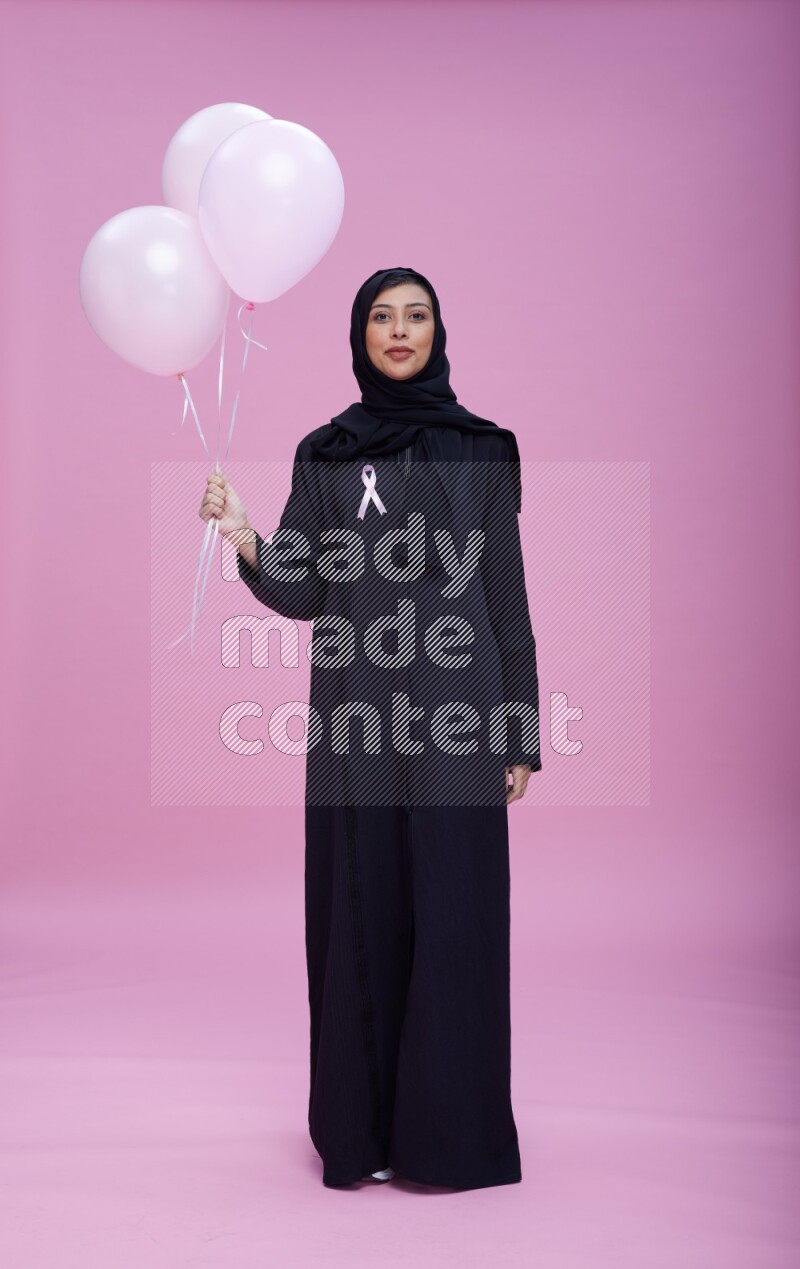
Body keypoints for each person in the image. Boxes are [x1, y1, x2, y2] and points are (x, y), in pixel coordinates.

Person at [199, 267, 542, 1190]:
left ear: (437, 331)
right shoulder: (326, 452)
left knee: (457, 918)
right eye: (382, 318)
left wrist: (520, 732)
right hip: (357, 724)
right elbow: (305, 588)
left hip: (461, 723)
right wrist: (245, 538)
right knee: (365, 911)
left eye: (415, 316)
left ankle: (451, 1138)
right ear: (360, 336)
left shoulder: (484, 450)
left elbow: (506, 601)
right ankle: (368, 1133)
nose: (398, 331)